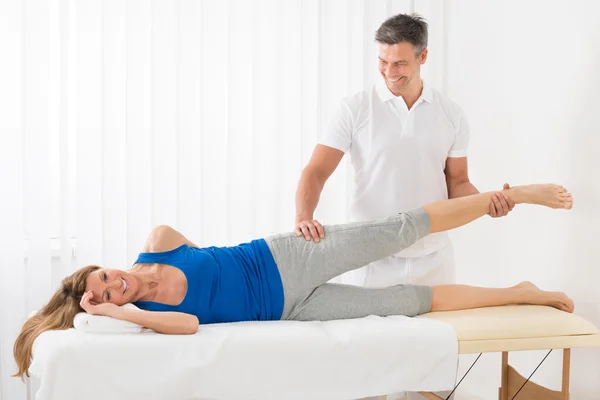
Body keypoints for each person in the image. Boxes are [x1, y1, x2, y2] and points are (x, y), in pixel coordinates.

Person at [13, 184, 573, 380]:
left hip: (288, 259)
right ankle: (524, 290)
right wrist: (111, 315)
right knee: (412, 302)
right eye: (106, 294)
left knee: (400, 228)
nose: (117, 288)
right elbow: (187, 325)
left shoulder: (159, 240)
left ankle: (516, 195)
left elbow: (218, 258)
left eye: (108, 278)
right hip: (292, 311)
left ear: (111, 265)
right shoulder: (151, 318)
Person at [295, 13, 514, 290]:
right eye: (383, 62)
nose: (389, 71)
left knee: (439, 334)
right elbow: (316, 171)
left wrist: (487, 203)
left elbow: (457, 183)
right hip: (369, 258)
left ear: (423, 57)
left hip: (434, 259)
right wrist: (303, 217)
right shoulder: (355, 109)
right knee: (366, 335)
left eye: (400, 63)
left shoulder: (451, 114)